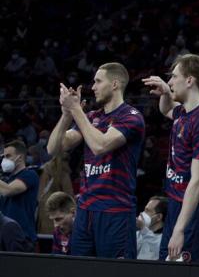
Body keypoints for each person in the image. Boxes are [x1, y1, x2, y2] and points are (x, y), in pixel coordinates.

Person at [47, 62, 145, 258]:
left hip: (115, 210)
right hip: (85, 210)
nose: (93, 87)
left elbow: (99, 146)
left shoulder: (131, 116)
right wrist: (67, 114)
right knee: (81, 274)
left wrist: (76, 110)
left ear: (115, 84)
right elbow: (54, 148)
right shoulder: (91, 117)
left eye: (98, 81)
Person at [143, 54, 199, 262]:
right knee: (167, 271)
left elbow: (198, 181)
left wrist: (180, 229)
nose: (170, 82)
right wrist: (165, 91)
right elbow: (166, 109)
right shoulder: (184, 113)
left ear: (189, 80)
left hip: (195, 213)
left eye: (174, 77)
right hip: (176, 205)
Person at [0, 140, 39, 246]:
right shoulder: (6, 180)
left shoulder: (30, 175)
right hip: (4, 235)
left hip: (22, 236)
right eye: (3, 156)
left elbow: (9, 190)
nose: (4, 160)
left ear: (20, 158)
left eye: (8, 156)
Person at [36, 152, 73, 235]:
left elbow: (39, 195)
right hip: (57, 211)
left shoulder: (45, 168)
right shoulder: (63, 170)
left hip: (45, 208)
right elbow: (70, 195)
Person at [136, 196, 168, 260]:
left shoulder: (166, 239)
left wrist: (143, 229)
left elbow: (157, 246)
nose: (142, 214)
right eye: (144, 210)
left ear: (158, 217)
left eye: (147, 211)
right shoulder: (138, 234)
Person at [45, 191, 76, 255]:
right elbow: (57, 260)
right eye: (53, 219)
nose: (55, 225)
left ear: (73, 212)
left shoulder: (87, 230)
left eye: (59, 219)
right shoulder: (57, 232)